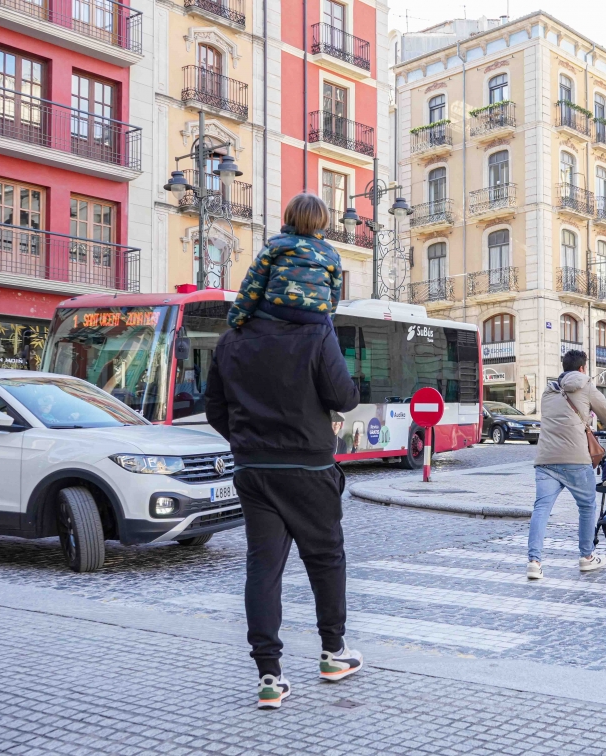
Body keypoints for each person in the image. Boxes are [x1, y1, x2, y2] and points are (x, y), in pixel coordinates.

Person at [205, 193, 363, 711]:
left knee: (262, 567)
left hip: (255, 470)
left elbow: (214, 408)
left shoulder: (233, 338)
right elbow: (342, 398)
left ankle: (268, 677)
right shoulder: (317, 332)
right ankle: (333, 652)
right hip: (310, 465)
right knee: (325, 559)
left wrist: (246, 442)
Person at [526, 349, 606, 580]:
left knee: (541, 509)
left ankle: (534, 562)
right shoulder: (585, 385)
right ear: (583, 368)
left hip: (545, 459)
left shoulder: (548, 390)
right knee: (586, 506)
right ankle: (586, 557)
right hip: (575, 458)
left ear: (564, 367)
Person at [227, 193, 343, 329]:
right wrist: (327, 323)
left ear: (289, 217)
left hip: (276, 311)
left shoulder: (274, 245)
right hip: (314, 317)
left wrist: (236, 320)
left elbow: (252, 286)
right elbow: (334, 296)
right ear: (323, 221)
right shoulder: (331, 254)